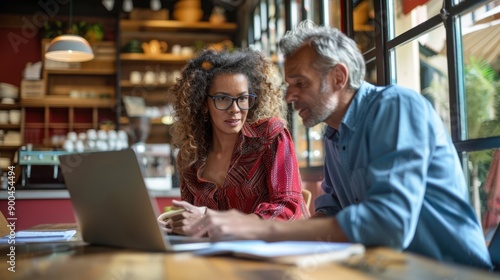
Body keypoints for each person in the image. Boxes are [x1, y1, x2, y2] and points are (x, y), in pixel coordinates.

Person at [183, 21, 493, 269]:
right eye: (289, 85)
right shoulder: (334, 135)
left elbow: (389, 225)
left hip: (451, 273)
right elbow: (329, 214)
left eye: (300, 83)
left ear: (338, 77)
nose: (289, 96)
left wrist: (260, 228)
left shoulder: (397, 106)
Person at [160, 48, 310, 235]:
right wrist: (176, 225)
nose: (235, 109)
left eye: (243, 98)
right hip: (215, 256)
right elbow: (193, 219)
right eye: (223, 98)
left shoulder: (270, 136)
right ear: (204, 103)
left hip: (275, 253)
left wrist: (211, 218)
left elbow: (288, 209)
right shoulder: (190, 157)